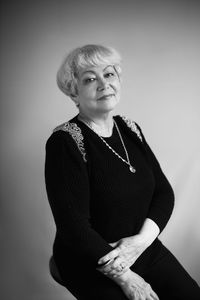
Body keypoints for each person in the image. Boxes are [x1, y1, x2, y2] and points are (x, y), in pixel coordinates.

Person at [45, 44, 200, 300]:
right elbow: (74, 228)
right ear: (74, 93)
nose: (103, 84)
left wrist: (140, 242)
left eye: (109, 74)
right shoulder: (65, 141)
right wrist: (126, 276)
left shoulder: (129, 128)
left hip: (140, 248)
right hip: (88, 258)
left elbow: (163, 192)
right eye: (90, 79)